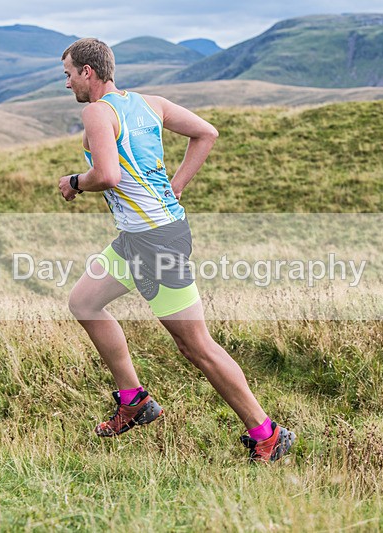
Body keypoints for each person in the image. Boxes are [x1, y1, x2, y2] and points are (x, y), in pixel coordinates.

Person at [57, 38, 295, 463]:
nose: (69, 82)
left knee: (196, 346)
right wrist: (178, 184)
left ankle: (267, 432)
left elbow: (107, 175)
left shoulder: (95, 111)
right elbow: (207, 133)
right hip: (139, 236)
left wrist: (75, 182)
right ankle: (133, 401)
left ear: (88, 73)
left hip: (155, 241)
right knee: (84, 302)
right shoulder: (152, 103)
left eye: (70, 74)